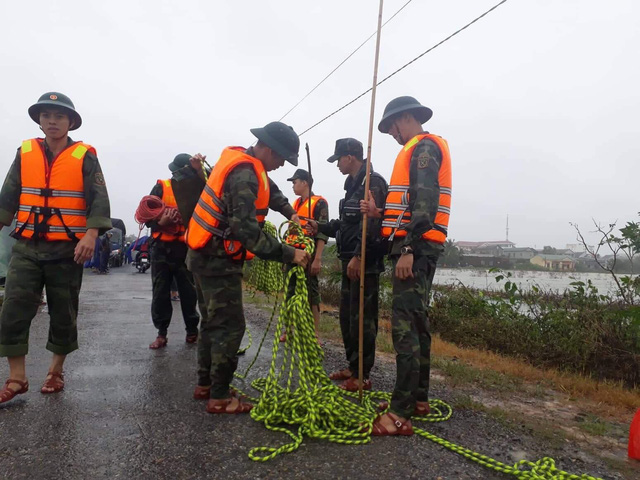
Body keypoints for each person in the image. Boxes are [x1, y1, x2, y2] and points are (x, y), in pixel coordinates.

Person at [185, 121, 310, 415]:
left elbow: (272, 190)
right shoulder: (244, 174)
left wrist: (291, 213)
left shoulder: (247, 161)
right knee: (230, 327)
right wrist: (289, 253)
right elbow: (248, 234)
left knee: (211, 323)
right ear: (266, 148)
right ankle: (219, 397)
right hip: (218, 261)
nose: (281, 165)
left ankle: (206, 384)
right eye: (280, 157)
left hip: (201, 256)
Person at [0, 92, 111, 404]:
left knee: (64, 312)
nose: (52, 121)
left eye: (59, 116)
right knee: (14, 310)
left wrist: (90, 235)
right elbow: (7, 196)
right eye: (46, 115)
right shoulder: (25, 152)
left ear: (70, 122)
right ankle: (17, 378)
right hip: (26, 246)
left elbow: (99, 198)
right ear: (39, 119)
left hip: (67, 250)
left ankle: (55, 371)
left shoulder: (84, 155)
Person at [360, 96, 452, 436]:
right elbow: (408, 207)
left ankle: (400, 413)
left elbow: (424, 203)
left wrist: (408, 248)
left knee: (405, 329)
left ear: (408, 118)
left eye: (392, 127)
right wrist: (379, 214)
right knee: (417, 323)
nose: (391, 134)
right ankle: (417, 398)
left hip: (417, 247)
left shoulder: (424, 148)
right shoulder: (418, 149)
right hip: (419, 244)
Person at [307, 138, 388, 392]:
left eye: (338, 159)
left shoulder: (373, 183)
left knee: (363, 319)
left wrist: (359, 256)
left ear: (350, 157)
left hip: (364, 263)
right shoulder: (351, 186)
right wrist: (319, 227)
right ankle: (353, 366)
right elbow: (344, 225)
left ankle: (363, 375)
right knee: (347, 318)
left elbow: (375, 226)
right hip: (348, 261)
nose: (337, 164)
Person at [146, 154, 200, 349]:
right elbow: (146, 215)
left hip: (186, 249)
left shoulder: (198, 190)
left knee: (189, 292)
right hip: (161, 249)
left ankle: (192, 331)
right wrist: (160, 222)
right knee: (160, 292)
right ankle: (161, 333)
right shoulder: (161, 187)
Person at [281, 168, 328, 341]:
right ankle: (288, 329)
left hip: (308, 255)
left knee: (311, 292)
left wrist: (317, 258)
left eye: (295, 182)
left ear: (304, 182)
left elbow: (323, 233)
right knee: (289, 292)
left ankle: (315, 333)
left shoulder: (320, 203)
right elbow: (289, 232)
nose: (293, 186)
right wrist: (285, 257)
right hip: (292, 253)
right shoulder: (294, 205)